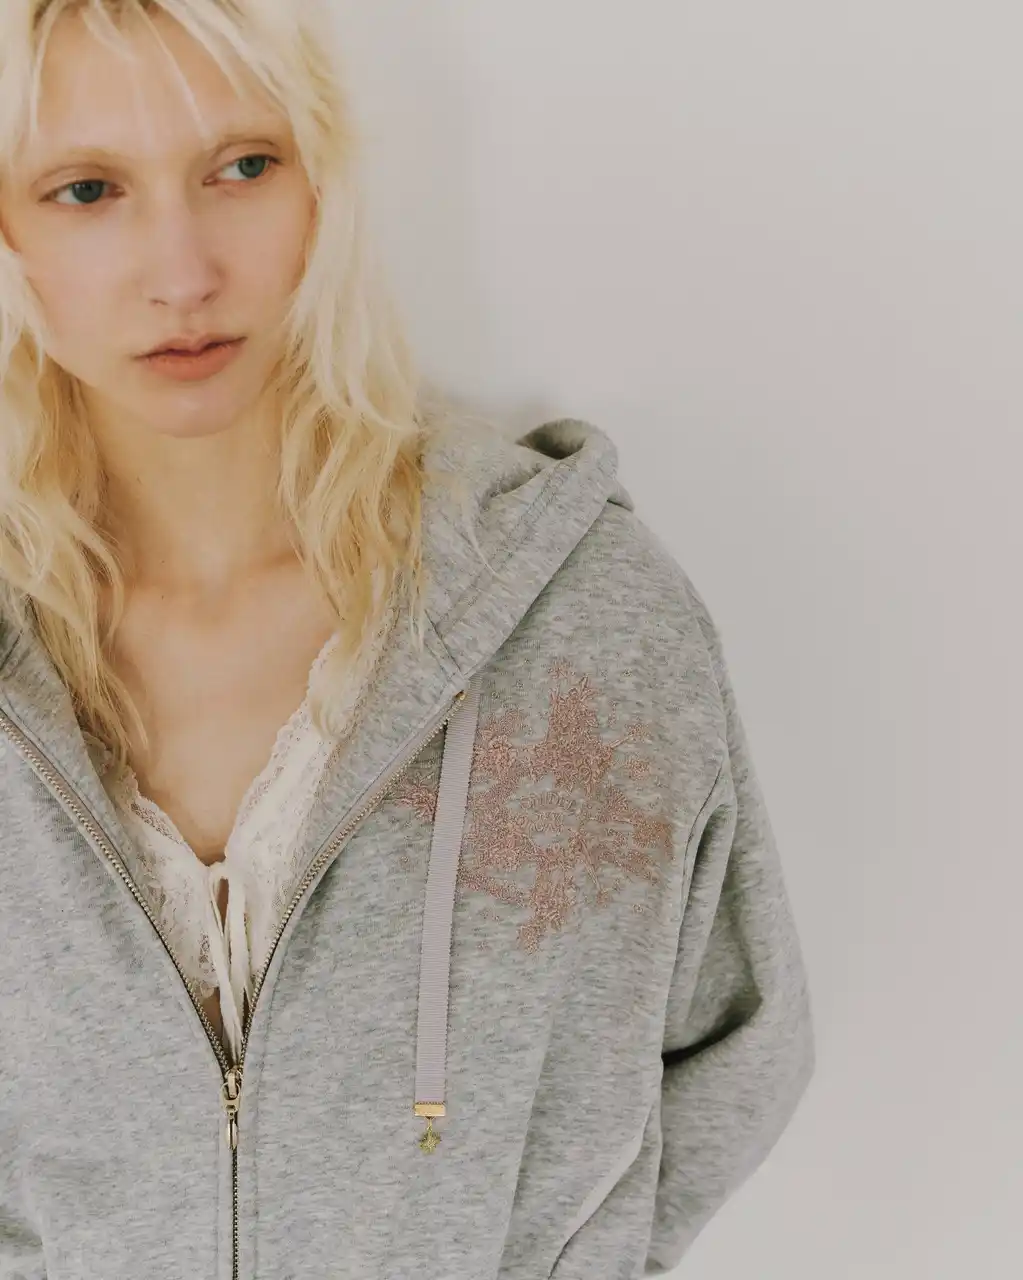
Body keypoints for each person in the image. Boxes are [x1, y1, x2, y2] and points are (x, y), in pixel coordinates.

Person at [0, 3, 816, 1277]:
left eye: (242, 167)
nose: (183, 270)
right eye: (87, 190)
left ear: (321, 185)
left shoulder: (574, 619)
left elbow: (733, 1042)